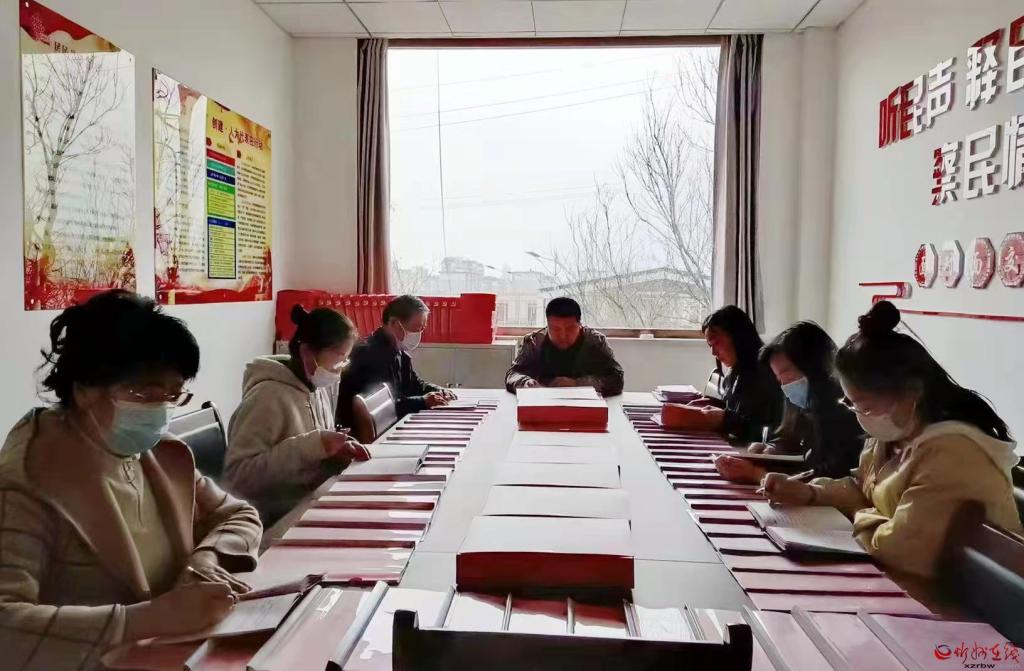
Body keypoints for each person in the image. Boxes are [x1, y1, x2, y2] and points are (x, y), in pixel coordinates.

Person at [0, 290, 262, 670]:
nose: (160, 411)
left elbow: (238, 515)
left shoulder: (155, 454)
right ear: (84, 388)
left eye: (173, 395)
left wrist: (206, 558)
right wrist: (144, 619)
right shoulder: (28, 480)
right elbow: (6, 623)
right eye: (145, 394)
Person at [762, 301, 1023, 578]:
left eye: (866, 406)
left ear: (911, 394)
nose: (859, 415)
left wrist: (859, 512)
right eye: (851, 404)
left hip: (969, 596)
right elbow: (862, 487)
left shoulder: (952, 454)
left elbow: (900, 550)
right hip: (915, 579)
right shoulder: (892, 433)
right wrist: (811, 493)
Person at [225, 306, 370, 525]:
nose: (339, 371)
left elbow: (311, 461)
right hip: (273, 521)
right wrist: (314, 445)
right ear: (307, 353)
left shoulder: (316, 386)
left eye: (344, 362)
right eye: (338, 361)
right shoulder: (267, 397)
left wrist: (335, 452)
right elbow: (238, 479)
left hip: (310, 506)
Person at [715, 321, 865, 484]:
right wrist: (773, 448)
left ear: (814, 367)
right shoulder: (809, 406)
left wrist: (756, 474)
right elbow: (799, 447)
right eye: (779, 379)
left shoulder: (842, 410)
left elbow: (832, 475)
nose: (785, 387)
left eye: (787, 375)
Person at [661, 306, 783, 443]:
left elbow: (766, 432)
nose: (713, 352)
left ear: (738, 337)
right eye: (710, 345)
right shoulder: (736, 372)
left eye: (716, 343)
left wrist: (724, 419)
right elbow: (736, 411)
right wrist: (714, 405)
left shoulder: (768, 371)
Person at [336, 295, 456, 428]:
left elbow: (413, 385)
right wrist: (422, 401)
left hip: (392, 424)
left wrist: (438, 391)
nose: (418, 334)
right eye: (416, 328)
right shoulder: (368, 354)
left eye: (422, 329)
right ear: (393, 323)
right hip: (365, 432)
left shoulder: (399, 351)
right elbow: (381, 407)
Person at [505, 297, 624, 397]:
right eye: (555, 329)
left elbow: (616, 379)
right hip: (543, 402)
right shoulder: (534, 342)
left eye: (570, 329)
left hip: (585, 403)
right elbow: (513, 374)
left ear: (580, 325)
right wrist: (525, 382)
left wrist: (577, 384)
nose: (563, 336)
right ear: (547, 326)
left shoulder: (595, 342)